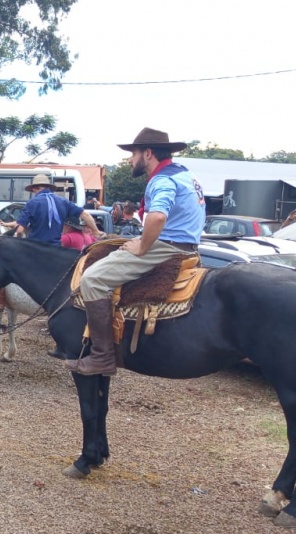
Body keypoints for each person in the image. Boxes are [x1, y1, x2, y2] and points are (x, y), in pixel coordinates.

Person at [66, 127, 205, 376]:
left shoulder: (162, 180)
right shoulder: (185, 174)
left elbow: (158, 216)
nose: (130, 160)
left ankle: (102, 357)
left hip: (167, 246)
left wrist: (142, 246)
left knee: (92, 279)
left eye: (133, 154)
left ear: (148, 153)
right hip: (188, 245)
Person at [14, 174, 102, 244]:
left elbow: (19, 230)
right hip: (55, 250)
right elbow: (86, 215)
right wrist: (96, 232)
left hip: (35, 248)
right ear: (48, 187)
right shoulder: (63, 201)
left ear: (34, 189)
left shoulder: (31, 203)